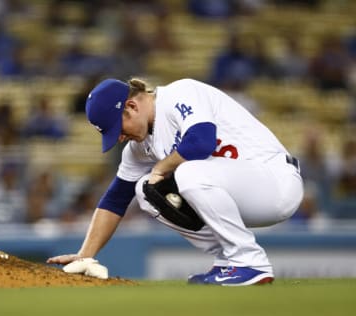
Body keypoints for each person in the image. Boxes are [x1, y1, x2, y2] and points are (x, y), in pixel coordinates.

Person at [47, 77, 304, 286]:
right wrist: (86, 254)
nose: (121, 138)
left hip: (275, 182)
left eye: (119, 129)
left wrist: (162, 166)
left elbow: (201, 141)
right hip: (239, 194)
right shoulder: (139, 148)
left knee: (187, 173)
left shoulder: (180, 93)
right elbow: (115, 200)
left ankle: (250, 261)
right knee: (145, 190)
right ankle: (229, 260)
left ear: (132, 106)